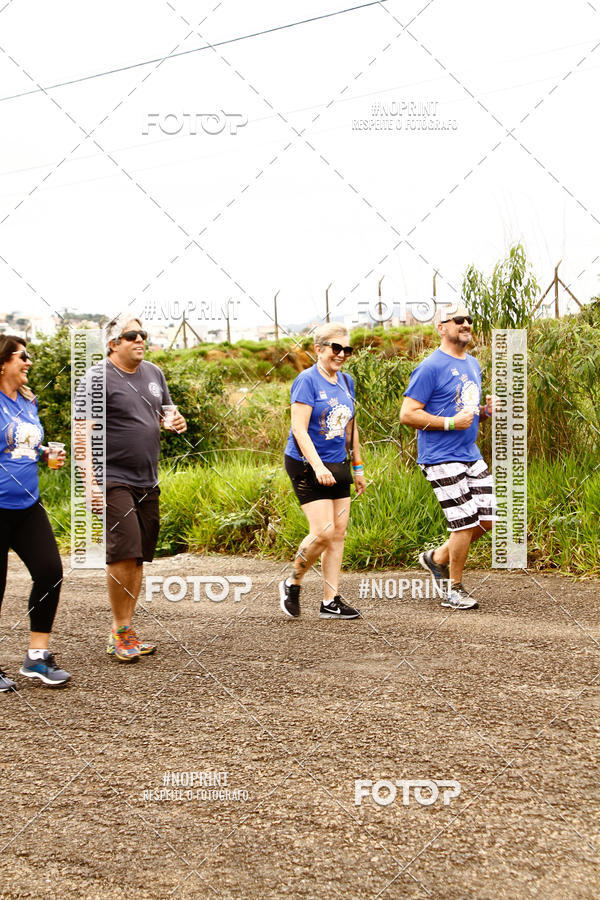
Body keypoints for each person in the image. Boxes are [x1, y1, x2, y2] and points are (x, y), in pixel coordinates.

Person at [74, 316, 186, 663]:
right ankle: (121, 629)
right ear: (113, 344)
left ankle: (125, 630)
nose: (140, 339)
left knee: (138, 555)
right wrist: (89, 483)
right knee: (123, 551)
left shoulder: (154, 373)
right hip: (112, 477)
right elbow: (81, 433)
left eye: (143, 335)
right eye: (131, 336)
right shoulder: (96, 377)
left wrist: (173, 421)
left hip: (147, 478)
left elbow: (167, 413)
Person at [400, 305, 497, 610]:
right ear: (442, 328)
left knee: (488, 519)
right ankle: (453, 589)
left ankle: (436, 558)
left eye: (469, 319)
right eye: (458, 320)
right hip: (440, 456)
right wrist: (450, 424)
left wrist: (485, 412)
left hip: (470, 453)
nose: (466, 323)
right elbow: (407, 414)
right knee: (465, 522)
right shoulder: (430, 367)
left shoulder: (473, 364)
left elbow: (462, 409)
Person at [280, 324, 367, 619]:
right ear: (319, 349)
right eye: (335, 348)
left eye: (347, 349)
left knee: (339, 533)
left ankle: (330, 601)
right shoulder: (306, 381)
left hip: (338, 463)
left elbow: (350, 427)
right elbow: (299, 430)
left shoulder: (347, 382)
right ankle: (293, 582)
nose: (341, 354)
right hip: (306, 464)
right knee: (323, 532)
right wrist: (317, 466)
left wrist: (357, 467)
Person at [0, 335, 70, 691]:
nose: (28, 362)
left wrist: (45, 454)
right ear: (2, 362)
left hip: (28, 504)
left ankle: (37, 658)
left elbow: (26, 444)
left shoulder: (28, 402)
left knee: (49, 572)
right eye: (22, 356)